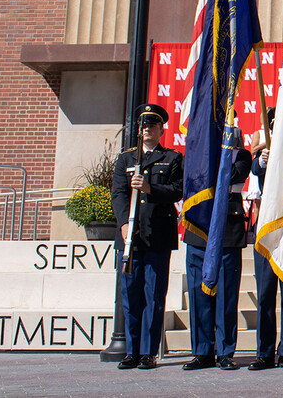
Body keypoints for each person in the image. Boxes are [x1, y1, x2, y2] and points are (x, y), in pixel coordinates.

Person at [111, 103, 183, 370]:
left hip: (157, 235)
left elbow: (177, 190)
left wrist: (150, 187)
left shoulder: (172, 158)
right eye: (144, 126)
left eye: (152, 126)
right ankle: (131, 350)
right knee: (130, 294)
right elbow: (118, 193)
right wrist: (123, 224)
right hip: (131, 236)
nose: (147, 130)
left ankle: (148, 352)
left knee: (153, 295)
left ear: (161, 130)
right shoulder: (126, 159)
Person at [181, 126, 252, 371]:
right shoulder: (194, 156)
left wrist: (215, 157)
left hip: (228, 232)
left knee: (226, 295)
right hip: (199, 230)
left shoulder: (241, 156)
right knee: (199, 294)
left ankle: (225, 351)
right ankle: (202, 351)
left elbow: (231, 175)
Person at [245, 109, 283, 371]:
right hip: (268, 230)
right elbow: (256, 170)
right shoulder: (264, 154)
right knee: (266, 294)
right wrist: (263, 160)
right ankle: (265, 352)